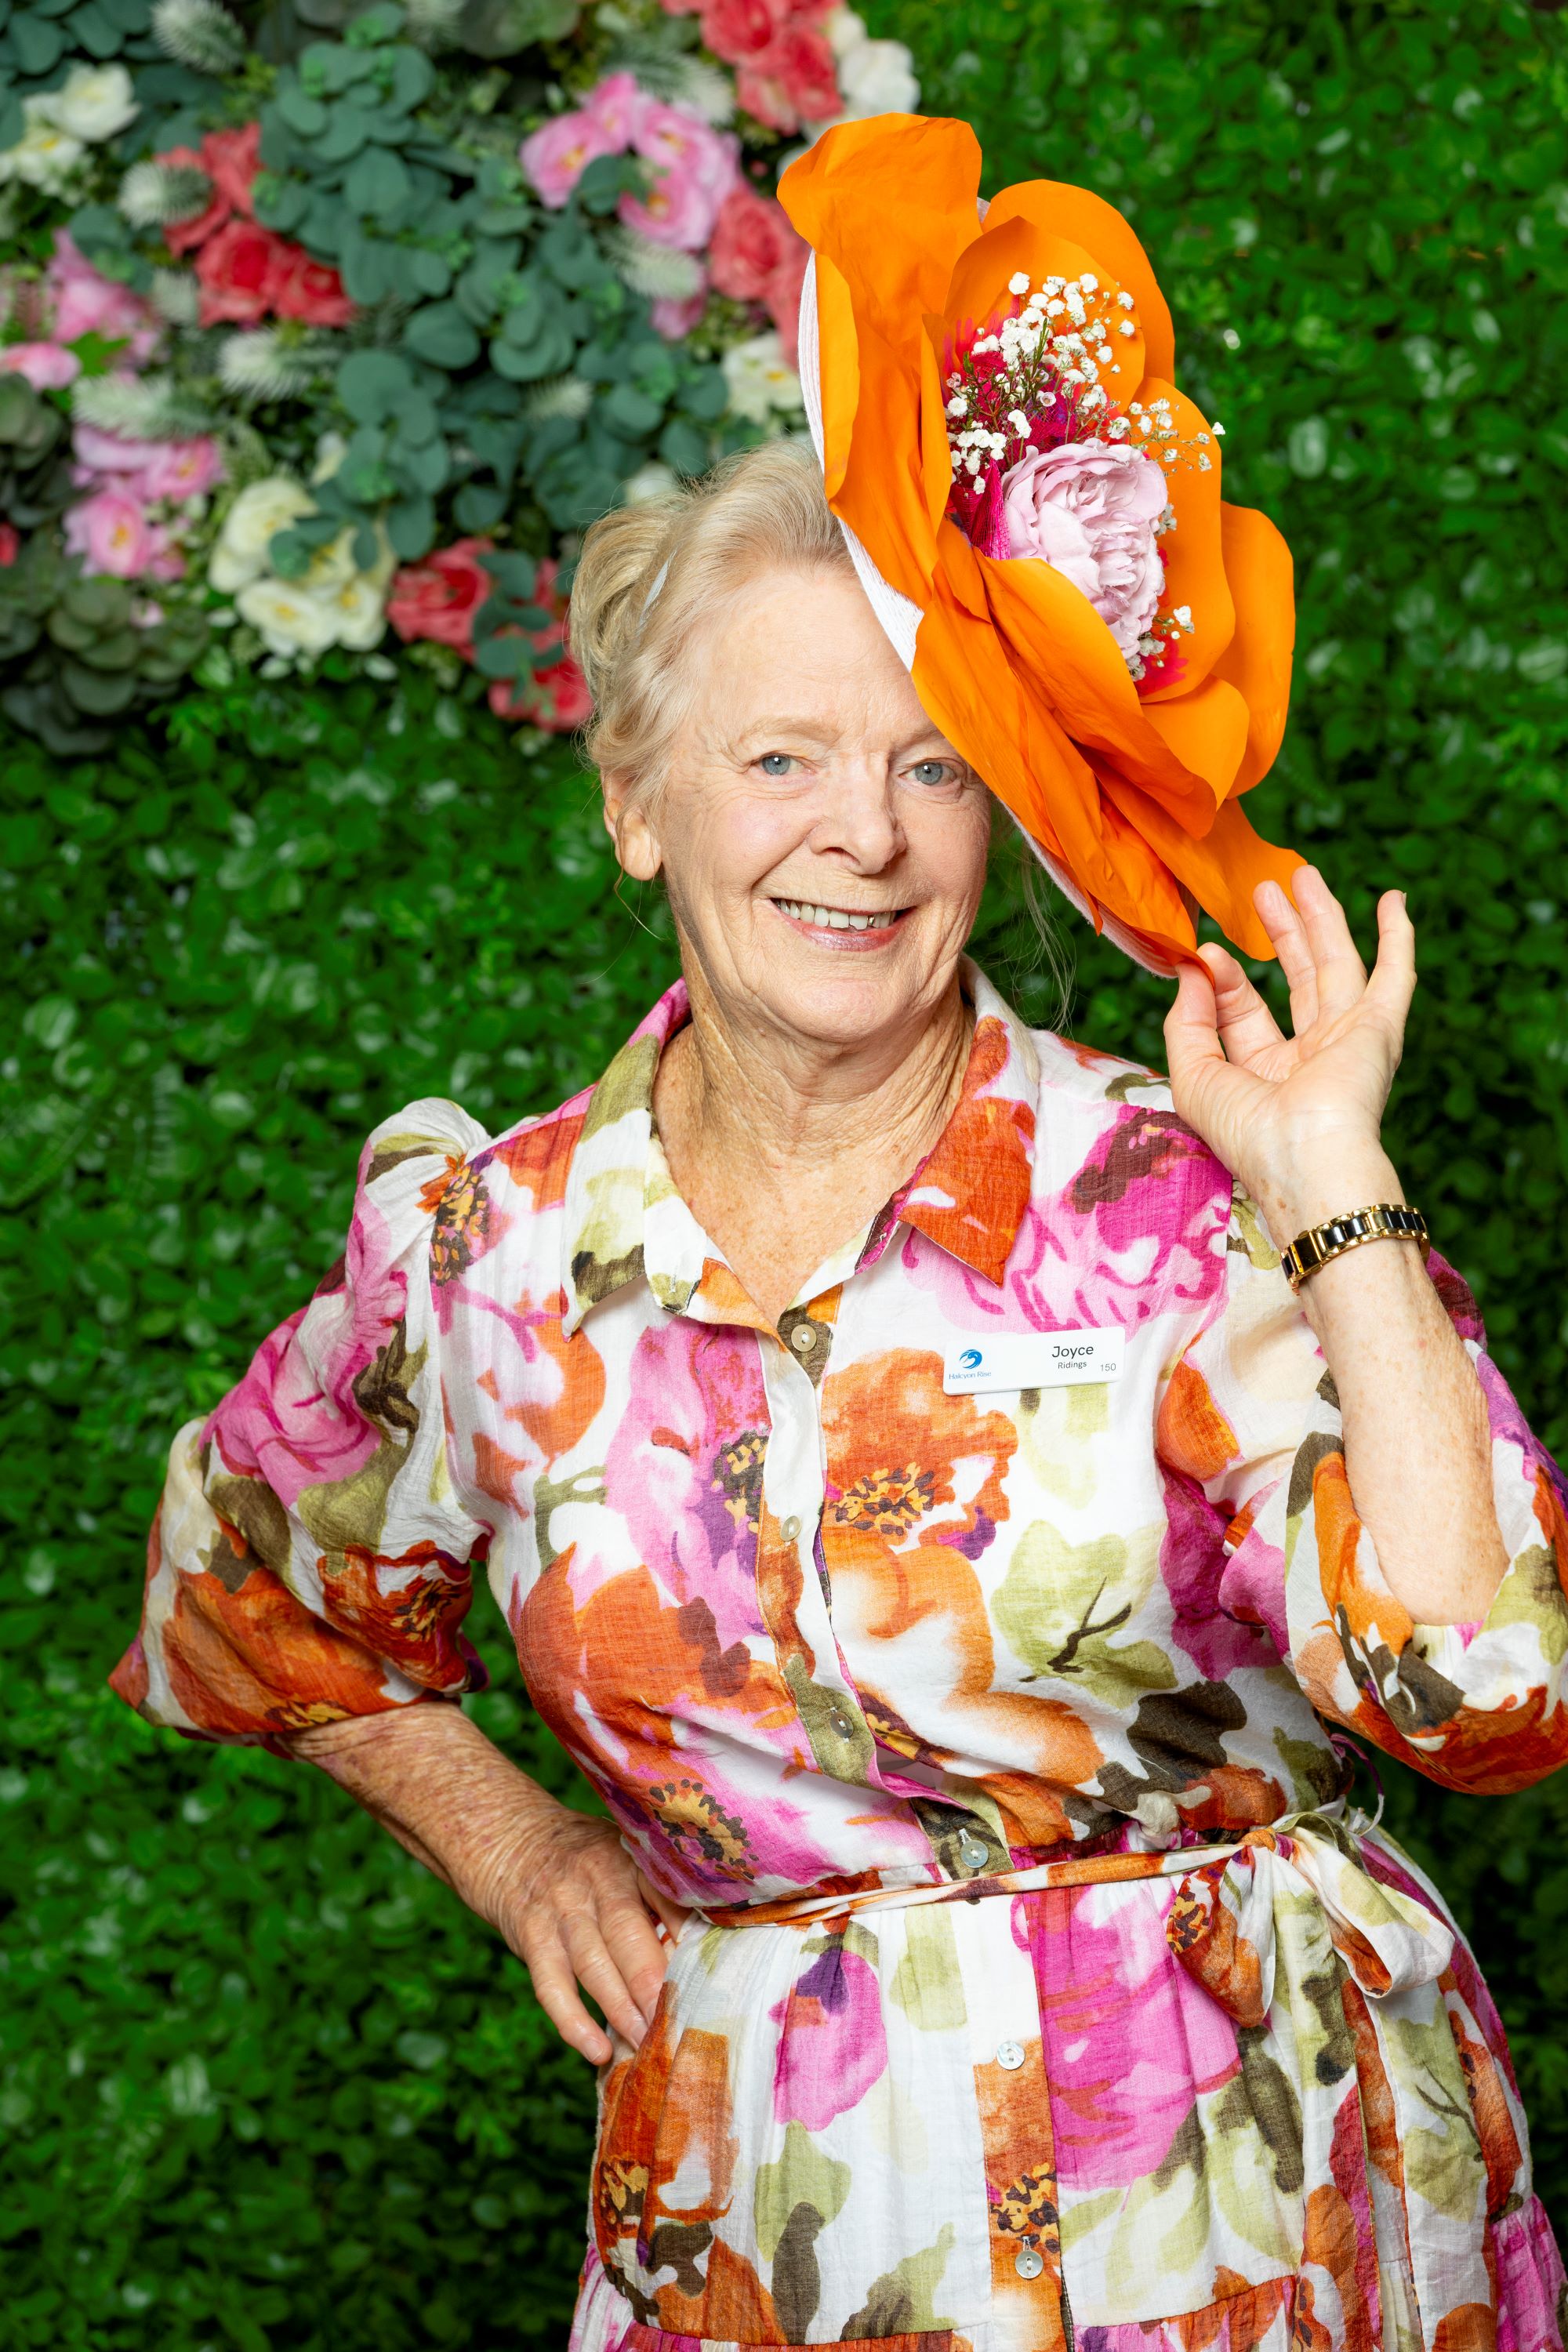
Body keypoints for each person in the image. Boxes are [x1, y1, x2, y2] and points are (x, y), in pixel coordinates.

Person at [112, 116, 1568, 2352]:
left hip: (1260, 2222)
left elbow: (1492, 1690)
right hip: (766, 2232)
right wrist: (516, 1853)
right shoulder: (486, 1253)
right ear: (635, 806)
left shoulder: (1177, 1204)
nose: (862, 841)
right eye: (782, 762)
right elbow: (249, 1585)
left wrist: (1335, 1194)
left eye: (931, 767)